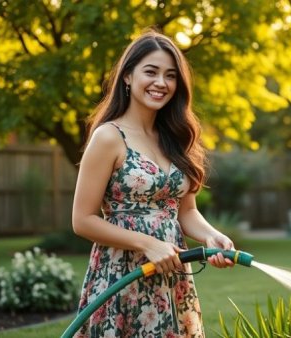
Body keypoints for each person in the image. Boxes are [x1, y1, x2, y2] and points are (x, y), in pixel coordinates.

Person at [71, 30, 235, 337]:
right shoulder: (109, 137)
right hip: (122, 274)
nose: (161, 82)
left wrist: (212, 237)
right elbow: (82, 220)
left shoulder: (175, 138)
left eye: (170, 75)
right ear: (128, 77)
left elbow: (185, 212)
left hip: (171, 277)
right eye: (151, 71)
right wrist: (148, 243)